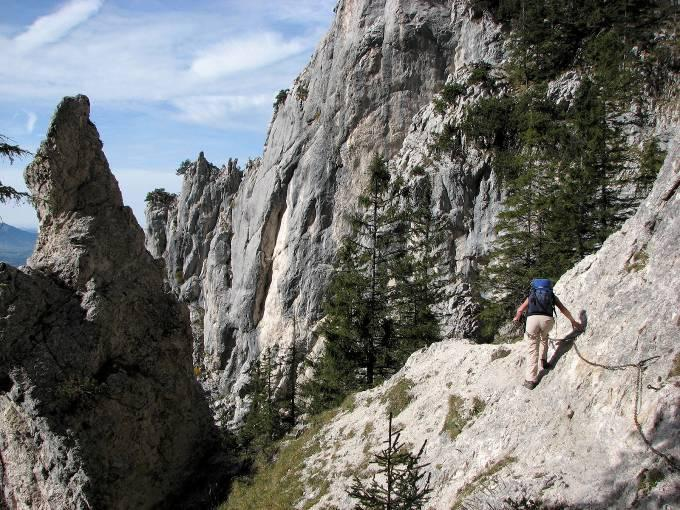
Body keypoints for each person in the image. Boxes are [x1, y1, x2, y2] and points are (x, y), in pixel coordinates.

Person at [513, 279, 581, 390]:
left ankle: (531, 379)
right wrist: (573, 321)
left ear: (534, 287)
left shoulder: (532, 294)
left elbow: (520, 310)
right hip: (547, 321)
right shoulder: (551, 295)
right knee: (544, 338)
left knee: (532, 349)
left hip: (532, 321)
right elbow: (563, 309)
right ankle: (543, 361)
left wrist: (517, 317)